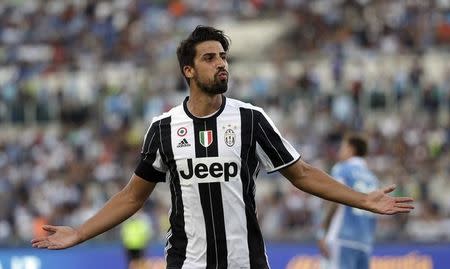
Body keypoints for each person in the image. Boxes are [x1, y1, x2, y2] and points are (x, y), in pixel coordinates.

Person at [31, 26, 414, 269]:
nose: (222, 64)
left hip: (246, 261)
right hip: (187, 263)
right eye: (210, 58)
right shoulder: (163, 128)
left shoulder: (251, 119)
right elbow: (132, 197)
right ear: (189, 70)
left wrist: (362, 200)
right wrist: (79, 233)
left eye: (224, 57)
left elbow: (302, 173)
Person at [317, 134, 379, 269]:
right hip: (365, 241)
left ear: (351, 149)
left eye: (342, 148)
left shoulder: (342, 169)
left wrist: (322, 232)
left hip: (343, 237)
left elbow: (334, 200)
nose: (340, 151)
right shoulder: (372, 178)